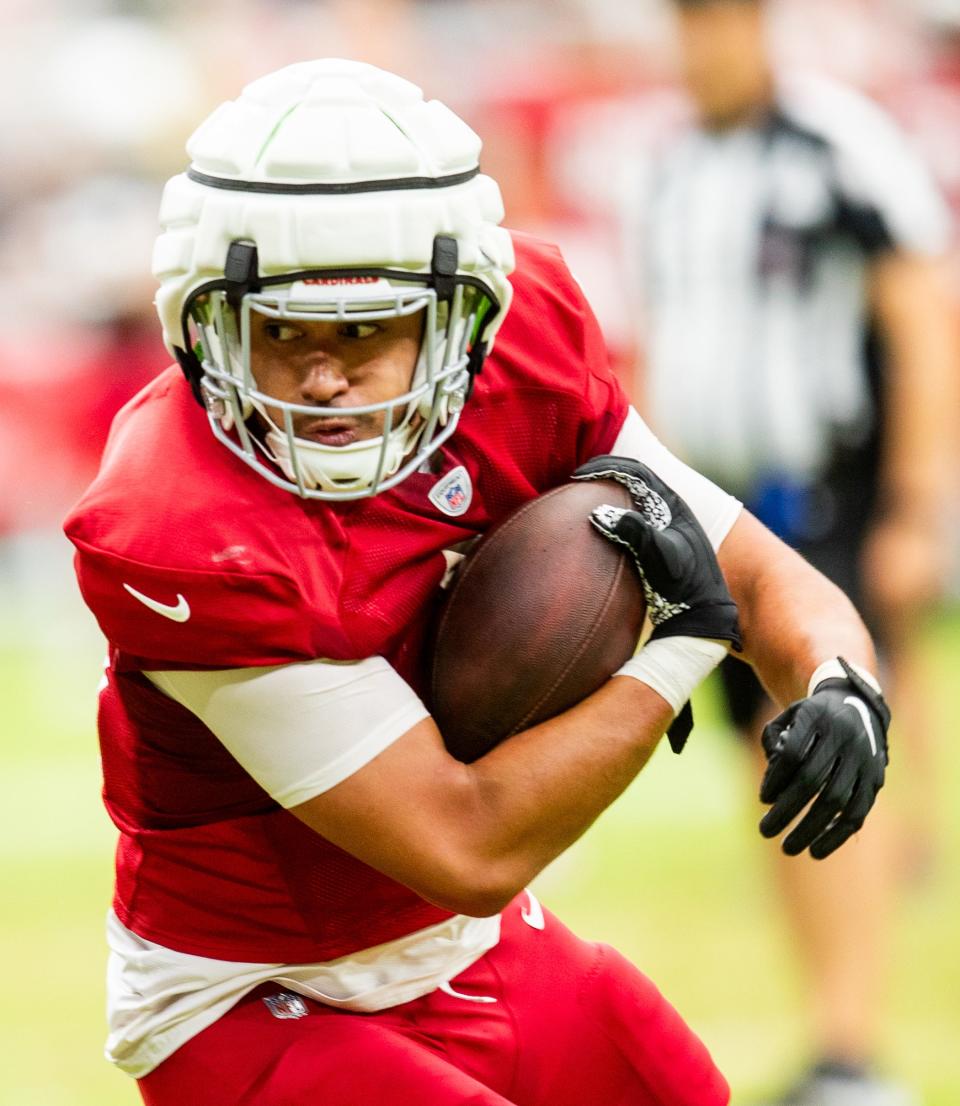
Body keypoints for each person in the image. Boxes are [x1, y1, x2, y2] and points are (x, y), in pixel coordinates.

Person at [65, 59, 891, 1106]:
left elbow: (761, 574)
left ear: (461, 320)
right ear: (205, 321)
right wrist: (681, 646)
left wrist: (840, 683)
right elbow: (468, 841)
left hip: (461, 951)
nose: (326, 376)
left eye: (370, 328)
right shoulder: (179, 526)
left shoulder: (522, 353)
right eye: (282, 332)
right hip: (248, 990)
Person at [627, 2, 959, 1104]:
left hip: (823, 491)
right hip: (716, 509)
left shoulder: (837, 144)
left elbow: (919, 313)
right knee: (766, 770)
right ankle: (830, 1033)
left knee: (824, 740)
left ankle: (855, 1046)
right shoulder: (671, 166)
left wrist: (915, 505)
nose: (705, 42)